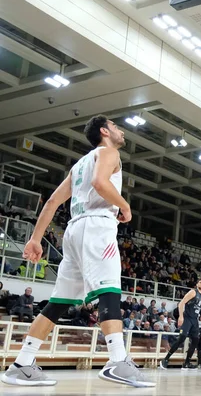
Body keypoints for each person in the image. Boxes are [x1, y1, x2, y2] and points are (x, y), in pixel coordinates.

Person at [1, 115, 153, 388]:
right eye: (116, 126)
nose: (121, 131)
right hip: (96, 227)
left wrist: (36, 239)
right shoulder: (109, 152)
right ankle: (118, 361)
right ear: (105, 132)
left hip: (74, 231)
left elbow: (51, 202)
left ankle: (22, 363)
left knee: (59, 302)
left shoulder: (79, 164)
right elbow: (99, 182)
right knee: (109, 291)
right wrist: (125, 206)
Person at [159, 278, 201, 370]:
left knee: (196, 341)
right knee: (181, 338)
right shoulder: (193, 292)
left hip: (195, 320)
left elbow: (200, 306)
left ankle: (187, 363)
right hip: (187, 318)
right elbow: (181, 303)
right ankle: (165, 359)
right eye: (200, 282)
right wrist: (181, 316)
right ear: (197, 284)